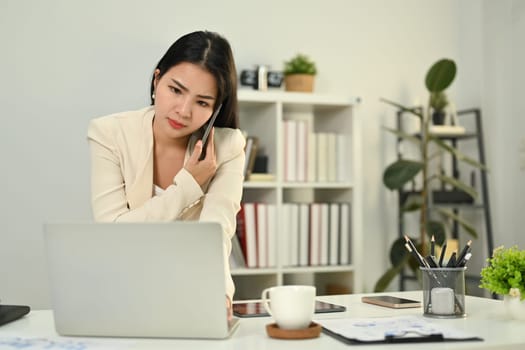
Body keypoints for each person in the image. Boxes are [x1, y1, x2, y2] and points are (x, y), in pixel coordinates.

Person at [87, 30, 245, 319]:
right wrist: (188, 185)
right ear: (157, 79)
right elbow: (112, 234)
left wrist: (218, 294)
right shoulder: (109, 133)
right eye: (176, 90)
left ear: (215, 109)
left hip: (193, 295)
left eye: (202, 102)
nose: (183, 111)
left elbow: (216, 231)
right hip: (120, 293)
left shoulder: (228, 147)